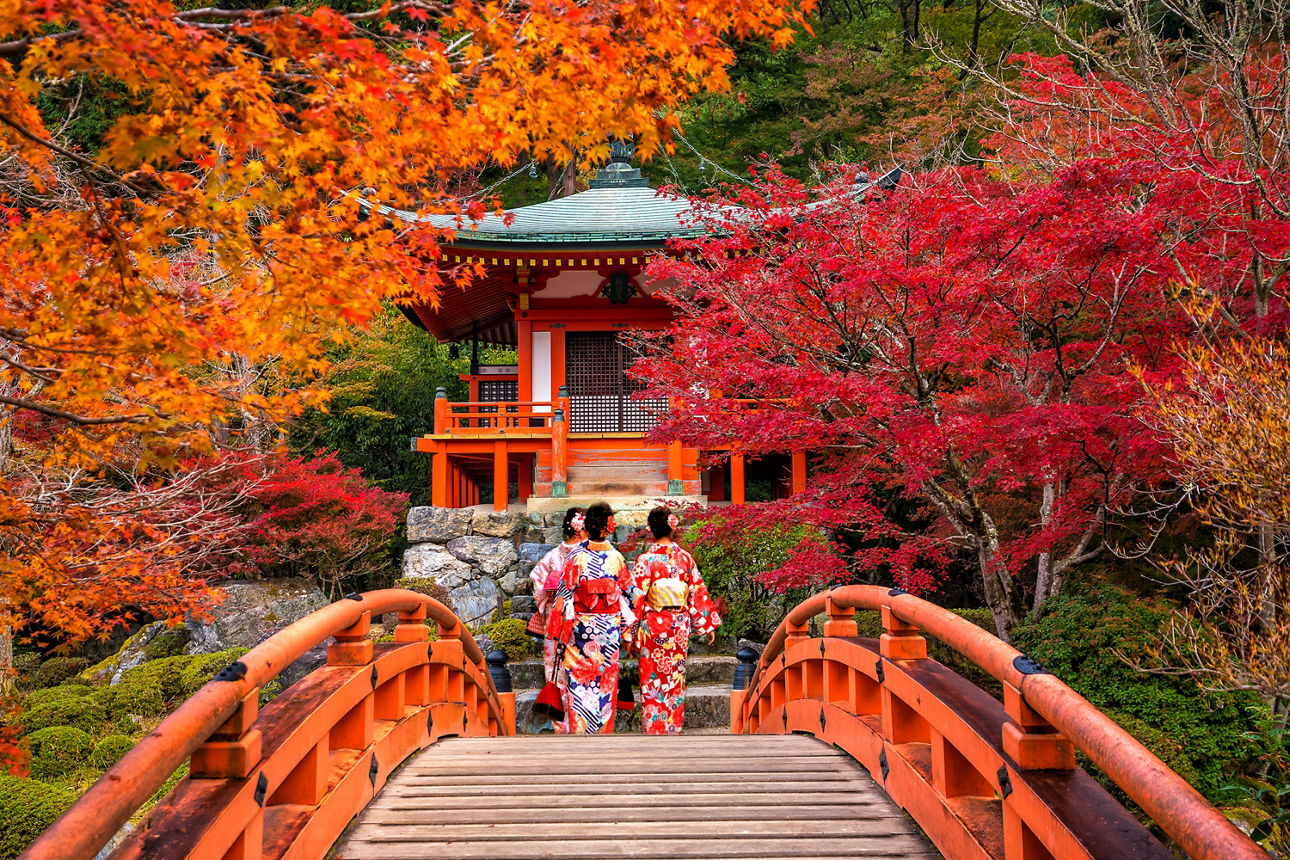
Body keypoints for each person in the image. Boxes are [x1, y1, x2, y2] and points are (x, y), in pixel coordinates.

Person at [630, 506, 722, 735]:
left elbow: (636, 599)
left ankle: (653, 728)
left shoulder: (645, 560)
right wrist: (706, 624)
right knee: (675, 678)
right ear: (673, 528)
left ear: (650, 528)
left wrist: (629, 633)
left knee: (651, 678)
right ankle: (673, 727)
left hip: (652, 625)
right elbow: (696, 592)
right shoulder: (685, 559)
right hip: (678, 625)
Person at [548, 502, 636, 734]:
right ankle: (603, 734)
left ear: (587, 527)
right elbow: (630, 597)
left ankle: (580, 733)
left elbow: (564, 596)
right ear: (608, 528)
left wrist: (557, 633)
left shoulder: (575, 557)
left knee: (580, 683)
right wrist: (629, 633)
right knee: (605, 684)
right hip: (609, 630)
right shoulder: (617, 558)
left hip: (581, 631)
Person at [528, 507, 585, 733]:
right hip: (584, 615)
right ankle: (580, 722)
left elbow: (538, 582)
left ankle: (564, 724)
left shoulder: (552, 556)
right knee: (578, 667)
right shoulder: (591, 556)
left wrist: (546, 602)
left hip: (557, 614)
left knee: (558, 668)